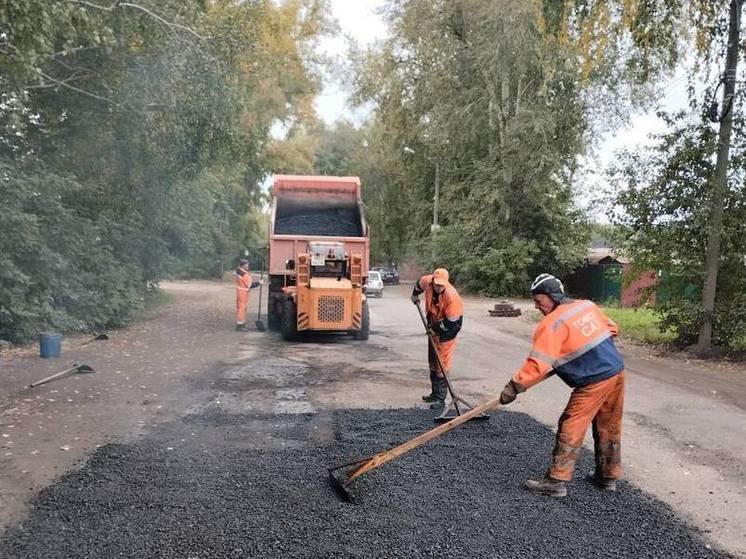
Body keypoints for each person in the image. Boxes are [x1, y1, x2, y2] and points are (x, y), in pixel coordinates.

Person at [498, 273, 625, 497]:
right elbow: (612, 329)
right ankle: (607, 477)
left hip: (594, 379)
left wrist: (513, 387)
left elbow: (538, 364)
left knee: (571, 424)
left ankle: (556, 481)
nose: (537, 306)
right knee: (609, 424)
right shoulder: (586, 306)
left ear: (552, 296)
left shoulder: (552, 323)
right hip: (616, 370)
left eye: (539, 301)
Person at [411, 268, 464, 408]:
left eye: (442, 285)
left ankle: (441, 399)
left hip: (449, 329)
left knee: (442, 364)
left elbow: (452, 322)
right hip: (433, 323)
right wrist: (415, 295)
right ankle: (434, 394)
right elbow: (418, 285)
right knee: (433, 361)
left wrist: (435, 330)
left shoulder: (452, 297)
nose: (439, 287)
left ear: (446, 284)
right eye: (437, 284)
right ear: (433, 280)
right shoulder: (427, 281)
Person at [234, 259, 260, 331]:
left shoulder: (238, 271)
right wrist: (258, 283)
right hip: (243, 293)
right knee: (242, 309)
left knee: (240, 308)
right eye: (247, 265)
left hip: (240, 292)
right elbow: (250, 285)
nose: (248, 266)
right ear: (243, 265)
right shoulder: (244, 274)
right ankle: (240, 326)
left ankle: (241, 324)